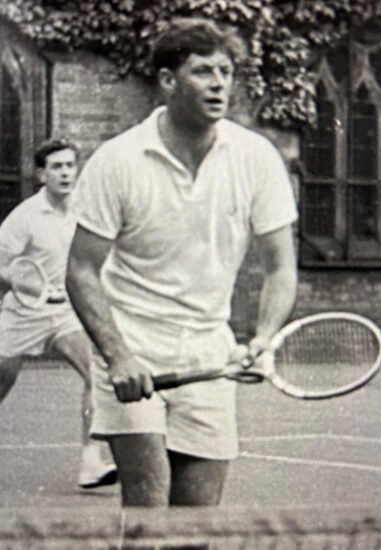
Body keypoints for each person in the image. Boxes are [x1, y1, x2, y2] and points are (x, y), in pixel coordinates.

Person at [66, 18, 298, 507]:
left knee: (194, 526)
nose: (219, 84)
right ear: (168, 81)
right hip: (132, 345)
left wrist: (262, 338)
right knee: (149, 508)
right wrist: (118, 356)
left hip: (208, 353)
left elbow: (280, 265)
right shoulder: (118, 160)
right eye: (203, 72)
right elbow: (81, 270)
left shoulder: (256, 157)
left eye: (226, 71)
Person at [0, 138, 116, 489]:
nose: (65, 173)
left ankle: (90, 462)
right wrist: (31, 288)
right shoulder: (25, 217)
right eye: (56, 167)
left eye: (69, 165)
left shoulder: (87, 209)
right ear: (41, 174)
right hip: (22, 315)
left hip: (68, 313)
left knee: (96, 372)